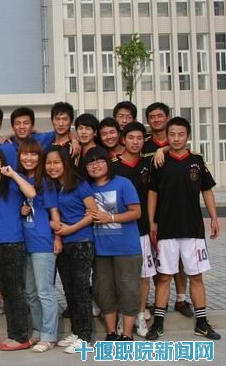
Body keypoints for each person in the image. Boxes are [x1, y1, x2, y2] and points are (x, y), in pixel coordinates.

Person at [146, 117, 221, 341]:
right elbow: (152, 193)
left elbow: (206, 190)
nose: (176, 138)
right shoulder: (159, 160)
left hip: (193, 229)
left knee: (196, 276)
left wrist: (214, 218)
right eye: (172, 134)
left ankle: (202, 323)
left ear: (188, 136)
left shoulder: (197, 160)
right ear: (167, 136)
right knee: (164, 277)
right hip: (166, 229)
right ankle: (158, 324)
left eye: (181, 134)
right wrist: (152, 222)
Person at [0, 146, 36, 351]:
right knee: (6, 290)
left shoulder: (13, 180)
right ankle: (13, 334)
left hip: (13, 242)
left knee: (15, 290)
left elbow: (31, 193)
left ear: (2, 160)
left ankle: (21, 337)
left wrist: (12, 174)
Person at [85, 146, 142, 342]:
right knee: (104, 291)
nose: (95, 166)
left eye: (100, 161)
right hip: (100, 250)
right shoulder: (86, 188)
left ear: (108, 163)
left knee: (129, 290)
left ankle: (127, 334)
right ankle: (111, 332)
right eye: (91, 163)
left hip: (126, 249)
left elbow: (136, 212)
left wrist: (109, 217)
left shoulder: (123, 183)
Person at [44, 145, 97, 355]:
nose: (52, 166)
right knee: (69, 290)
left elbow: (93, 212)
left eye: (57, 162)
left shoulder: (79, 184)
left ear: (65, 163)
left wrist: (71, 229)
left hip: (81, 242)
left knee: (81, 290)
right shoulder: (53, 186)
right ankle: (76, 332)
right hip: (63, 244)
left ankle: (85, 338)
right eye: (49, 163)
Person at [142, 103, 192, 318]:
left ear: (167, 117)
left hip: (176, 208)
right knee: (156, 257)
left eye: (159, 116)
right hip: (149, 205)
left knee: (180, 257)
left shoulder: (175, 140)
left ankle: (181, 298)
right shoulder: (143, 142)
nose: (156, 120)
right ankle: (156, 301)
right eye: (151, 117)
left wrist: (164, 149)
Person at [112, 122, 155, 337]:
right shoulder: (113, 165)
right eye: (131, 138)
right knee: (121, 276)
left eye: (139, 138)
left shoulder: (150, 163)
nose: (135, 142)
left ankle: (139, 313)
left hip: (142, 228)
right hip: (118, 229)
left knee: (144, 275)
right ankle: (123, 315)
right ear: (123, 139)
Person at [17, 138, 61, 353]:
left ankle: (49, 335)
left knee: (45, 292)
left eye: (33, 154)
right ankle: (37, 330)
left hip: (43, 243)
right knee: (31, 293)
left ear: (39, 157)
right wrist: (22, 210)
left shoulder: (46, 182)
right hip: (24, 243)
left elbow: (54, 212)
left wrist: (58, 238)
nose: (29, 158)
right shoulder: (20, 180)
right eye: (25, 153)